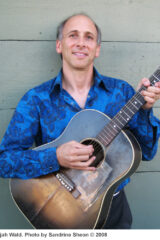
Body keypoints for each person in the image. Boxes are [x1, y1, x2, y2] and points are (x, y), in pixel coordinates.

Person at [0, 13, 160, 229]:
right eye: (73, 35)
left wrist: (145, 110)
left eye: (89, 37)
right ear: (59, 45)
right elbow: (5, 161)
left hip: (113, 213)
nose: (81, 43)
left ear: (97, 49)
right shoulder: (36, 99)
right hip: (56, 208)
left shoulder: (121, 92)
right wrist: (55, 157)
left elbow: (147, 153)